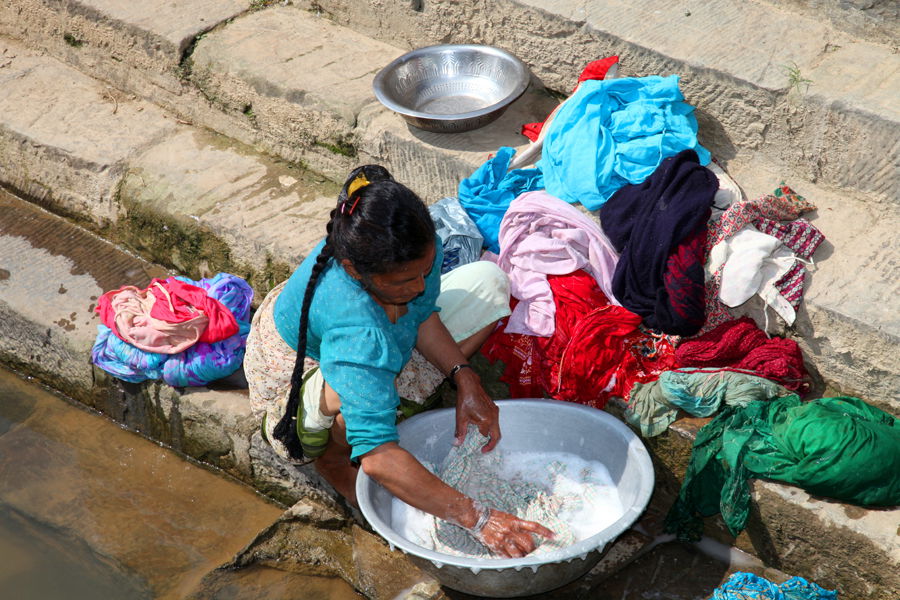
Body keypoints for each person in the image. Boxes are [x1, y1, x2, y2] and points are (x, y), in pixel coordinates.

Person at [244, 165, 554, 558]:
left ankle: (380, 402)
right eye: (402, 282)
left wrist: (466, 380)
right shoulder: (356, 328)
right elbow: (378, 458)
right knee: (360, 398)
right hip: (299, 370)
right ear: (357, 271)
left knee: (490, 285)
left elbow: (423, 313)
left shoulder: (413, 247)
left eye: (424, 272)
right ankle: (334, 459)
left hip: (368, 341)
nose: (419, 287)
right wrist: (478, 518)